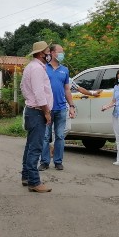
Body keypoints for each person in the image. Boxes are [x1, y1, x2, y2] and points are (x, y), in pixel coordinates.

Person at [20, 41, 53, 193]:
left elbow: (22, 87)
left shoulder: (31, 67)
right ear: (41, 54)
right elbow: (40, 94)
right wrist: (46, 111)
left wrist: (30, 100)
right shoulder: (37, 69)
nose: (50, 53)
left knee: (30, 146)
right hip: (37, 111)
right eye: (48, 51)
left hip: (32, 109)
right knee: (35, 147)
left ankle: (26, 176)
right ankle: (34, 181)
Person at [38, 44, 76, 172]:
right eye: (60, 52)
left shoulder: (64, 70)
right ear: (53, 53)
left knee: (60, 136)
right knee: (45, 136)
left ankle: (58, 161)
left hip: (61, 108)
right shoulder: (43, 68)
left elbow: (67, 89)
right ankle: (44, 162)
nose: (62, 54)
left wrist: (71, 106)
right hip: (47, 108)